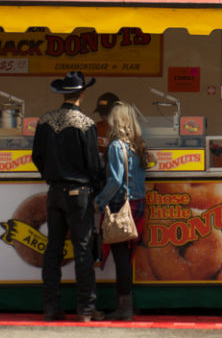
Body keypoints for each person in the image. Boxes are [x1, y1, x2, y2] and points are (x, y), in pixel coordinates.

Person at [31, 70, 105, 323]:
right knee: (83, 250)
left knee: (53, 249)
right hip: (79, 193)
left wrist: (51, 176)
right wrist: (96, 189)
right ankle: (86, 309)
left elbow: (36, 158)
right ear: (82, 93)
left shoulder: (45, 121)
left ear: (62, 93)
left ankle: (51, 307)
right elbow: (94, 165)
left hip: (54, 192)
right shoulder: (86, 125)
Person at [94, 101, 148, 321]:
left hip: (120, 205)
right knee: (128, 256)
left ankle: (124, 308)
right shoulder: (139, 145)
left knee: (121, 257)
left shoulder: (116, 146)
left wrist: (99, 201)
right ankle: (126, 306)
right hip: (139, 205)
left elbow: (116, 181)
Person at [92, 91, 119, 156]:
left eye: (106, 113)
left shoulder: (123, 129)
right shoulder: (95, 127)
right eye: (101, 113)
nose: (103, 116)